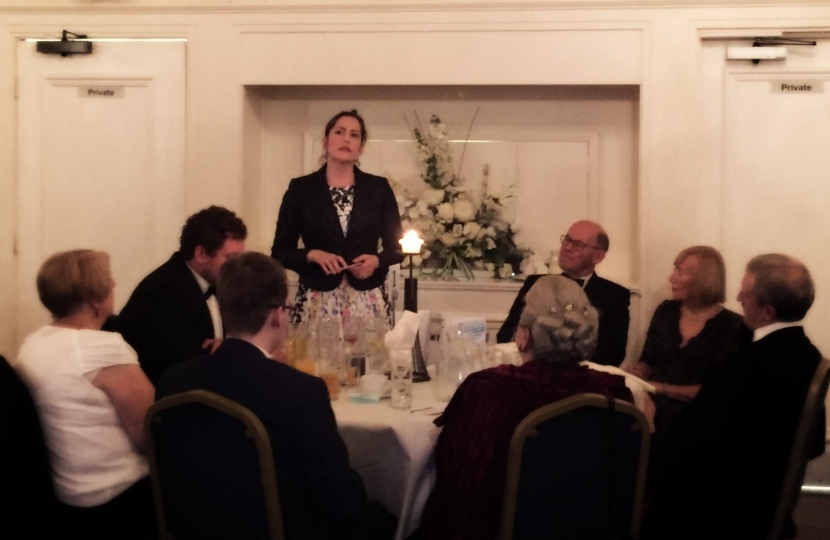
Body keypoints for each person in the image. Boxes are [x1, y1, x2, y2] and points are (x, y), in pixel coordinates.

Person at [156, 252, 396, 540]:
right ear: (277, 314)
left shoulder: (172, 381)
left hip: (193, 528)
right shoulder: (301, 392)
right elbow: (339, 496)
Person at [418, 275, 636, 540]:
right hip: (591, 527)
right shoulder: (614, 392)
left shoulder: (491, 391)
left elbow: (460, 478)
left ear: (523, 336)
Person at [642, 253, 825, 540]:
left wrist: (651, 424)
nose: (738, 297)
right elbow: (813, 445)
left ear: (767, 312)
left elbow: (691, 444)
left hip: (728, 512)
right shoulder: (810, 356)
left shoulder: (745, 364)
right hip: (767, 500)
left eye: (747, 291)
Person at [14, 250, 156, 539]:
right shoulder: (101, 348)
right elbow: (152, 430)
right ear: (95, 299)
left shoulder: (33, 343)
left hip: (64, 496)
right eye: (109, 281)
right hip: (115, 499)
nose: (114, 284)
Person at [271, 110, 404, 328]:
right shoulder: (301, 189)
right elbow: (280, 252)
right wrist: (312, 254)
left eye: (354, 135)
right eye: (340, 132)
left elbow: (397, 248)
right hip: (317, 298)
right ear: (326, 142)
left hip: (367, 298)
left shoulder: (378, 188)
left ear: (360, 148)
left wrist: (376, 261)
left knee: (369, 360)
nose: (346, 139)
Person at [117, 205, 247, 384]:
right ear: (201, 254)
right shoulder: (163, 292)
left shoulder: (215, 282)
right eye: (230, 259)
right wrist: (226, 352)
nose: (238, 268)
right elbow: (181, 367)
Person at [625, 246, 750, 431]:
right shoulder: (666, 310)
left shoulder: (732, 325)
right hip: (651, 405)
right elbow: (648, 359)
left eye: (680, 272)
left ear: (703, 280)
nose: (671, 277)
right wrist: (639, 372)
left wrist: (659, 388)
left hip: (699, 416)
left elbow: (717, 392)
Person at [496, 220, 631, 366]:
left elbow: (614, 354)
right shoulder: (536, 283)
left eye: (578, 245)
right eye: (567, 239)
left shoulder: (615, 295)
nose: (567, 247)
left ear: (598, 257)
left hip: (581, 378)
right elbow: (505, 334)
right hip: (531, 370)